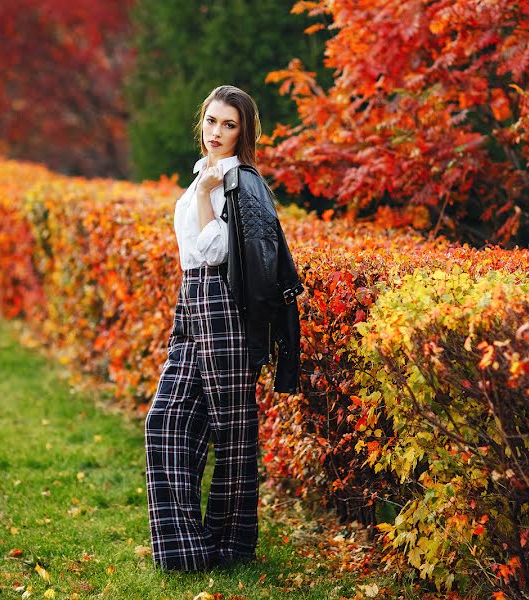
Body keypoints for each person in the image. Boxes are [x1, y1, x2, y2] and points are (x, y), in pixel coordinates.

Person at [144, 85, 302, 572]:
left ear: (244, 132)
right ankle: (186, 549)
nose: (216, 132)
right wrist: (205, 188)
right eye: (211, 121)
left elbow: (215, 252)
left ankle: (230, 546)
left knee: (233, 435)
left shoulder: (240, 183)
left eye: (228, 125)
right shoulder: (204, 177)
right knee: (164, 421)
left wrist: (211, 193)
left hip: (224, 309)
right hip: (191, 304)